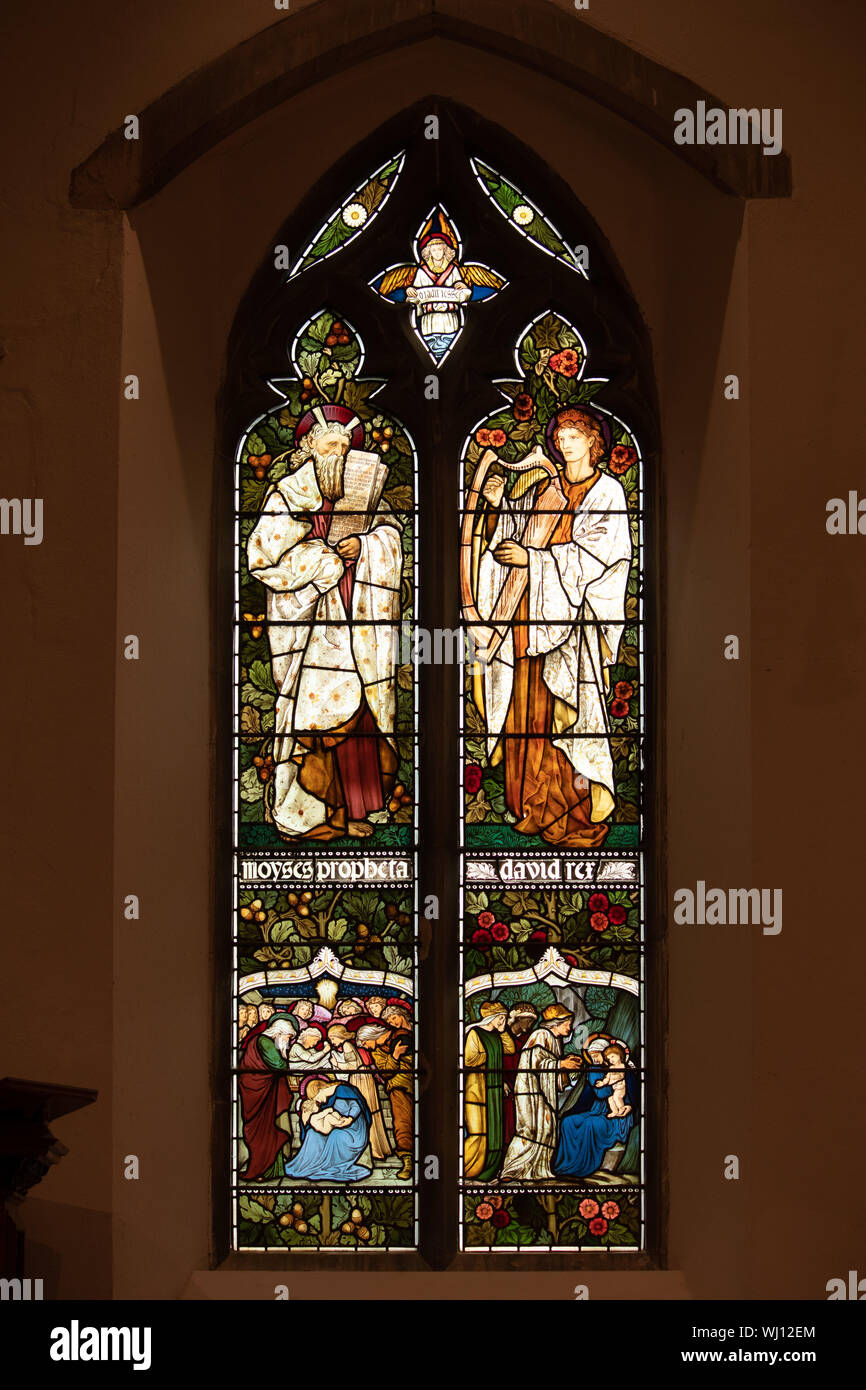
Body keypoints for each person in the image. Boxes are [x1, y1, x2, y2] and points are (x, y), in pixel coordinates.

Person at [469, 406, 632, 847]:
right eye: (560, 436)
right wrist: (500, 501)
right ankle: (531, 806)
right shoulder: (547, 488)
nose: (564, 443)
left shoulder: (608, 493)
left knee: (562, 714)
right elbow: (523, 531)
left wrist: (536, 561)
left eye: (574, 436)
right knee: (526, 710)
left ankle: (572, 812)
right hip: (529, 616)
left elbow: (601, 557)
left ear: (595, 442)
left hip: (570, 626)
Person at [247, 403, 403, 840]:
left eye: (343, 445)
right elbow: (263, 559)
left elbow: (391, 538)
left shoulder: (367, 495)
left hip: (359, 615)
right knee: (315, 717)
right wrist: (320, 560)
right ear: (308, 447)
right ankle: (310, 816)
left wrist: (367, 546)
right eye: (329, 444)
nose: (337, 452)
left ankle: (351, 810)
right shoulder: (285, 497)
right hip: (311, 622)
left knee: (360, 715)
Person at [499, 1003, 582, 1182]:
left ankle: (537, 1170)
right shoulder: (541, 1035)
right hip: (530, 1092)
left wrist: (566, 1067)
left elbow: (552, 1072)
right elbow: (535, 1064)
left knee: (545, 1130)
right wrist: (561, 1065)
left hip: (541, 1093)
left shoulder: (554, 1040)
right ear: (555, 1023)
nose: (570, 1027)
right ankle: (512, 1170)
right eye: (567, 1023)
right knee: (529, 1130)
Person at [553, 1042, 636, 1179]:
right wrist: (571, 1111)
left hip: (616, 1111)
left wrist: (630, 1105)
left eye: (597, 1055)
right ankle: (567, 1166)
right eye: (592, 1056)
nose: (595, 1059)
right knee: (568, 1121)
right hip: (595, 1109)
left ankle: (585, 1167)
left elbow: (632, 1093)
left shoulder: (623, 1070)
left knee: (591, 1124)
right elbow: (586, 1097)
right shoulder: (592, 1071)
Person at [238, 1015, 300, 1181]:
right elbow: (279, 1065)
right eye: (289, 1037)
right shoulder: (264, 1041)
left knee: (272, 1130)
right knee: (263, 1133)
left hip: (268, 1093)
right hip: (260, 1095)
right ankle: (261, 1170)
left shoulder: (265, 1042)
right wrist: (286, 1059)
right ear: (280, 1032)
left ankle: (274, 1170)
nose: (289, 1041)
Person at [282, 1077, 372, 1182]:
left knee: (336, 1135)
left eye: (315, 1097)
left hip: (355, 1130)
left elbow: (356, 1106)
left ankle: (330, 1166)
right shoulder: (327, 1101)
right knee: (312, 1134)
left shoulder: (343, 1090)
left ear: (319, 1090)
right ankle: (309, 1165)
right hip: (339, 1127)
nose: (317, 1101)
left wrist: (350, 1119)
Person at [463, 1001, 514, 1180]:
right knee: (478, 1133)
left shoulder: (497, 1035)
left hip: (493, 1089)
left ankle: (490, 1169)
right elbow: (470, 1060)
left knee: (494, 1133)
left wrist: (504, 1030)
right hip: (476, 1089)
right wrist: (490, 1053)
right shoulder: (475, 1033)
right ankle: (466, 1170)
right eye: (502, 1018)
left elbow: (510, 1048)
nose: (504, 1021)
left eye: (505, 1018)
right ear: (493, 1018)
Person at [371, 1000, 414, 1180]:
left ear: (403, 1014)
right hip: (399, 1084)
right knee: (402, 1124)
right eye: (389, 1021)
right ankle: (408, 1162)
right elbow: (386, 1072)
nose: (393, 1023)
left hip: (428, 1082)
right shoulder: (382, 1047)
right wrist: (395, 1055)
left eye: (394, 1018)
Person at [502, 1003, 538, 1146]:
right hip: (506, 1088)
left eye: (532, 1022)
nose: (530, 1024)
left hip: (523, 1088)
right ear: (517, 1019)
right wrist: (500, 1081)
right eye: (528, 1020)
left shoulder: (528, 1039)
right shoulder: (501, 1037)